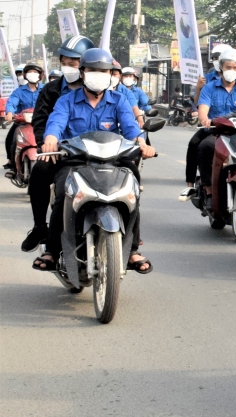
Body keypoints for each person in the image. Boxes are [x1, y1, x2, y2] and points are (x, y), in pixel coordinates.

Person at [33, 47, 155, 274]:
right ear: (82, 73)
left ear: (111, 74)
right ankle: (51, 249)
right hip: (74, 161)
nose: (98, 74)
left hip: (112, 161)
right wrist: (50, 139)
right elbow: (56, 124)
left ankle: (132, 249)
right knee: (62, 192)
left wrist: (142, 143)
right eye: (92, 70)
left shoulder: (119, 100)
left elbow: (130, 127)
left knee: (132, 191)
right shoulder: (66, 101)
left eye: (104, 70)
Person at [25, 36, 94, 252]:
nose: (68, 66)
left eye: (73, 63)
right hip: (60, 152)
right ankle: (39, 227)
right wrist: (45, 145)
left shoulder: (98, 89)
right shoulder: (52, 91)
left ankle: (130, 242)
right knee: (40, 171)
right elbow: (41, 120)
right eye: (65, 61)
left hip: (96, 151)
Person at [191, 48, 236, 196]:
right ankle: (208, 188)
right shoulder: (209, 88)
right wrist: (205, 119)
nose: (231, 70)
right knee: (204, 147)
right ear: (221, 67)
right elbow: (203, 110)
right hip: (217, 133)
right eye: (228, 67)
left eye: (234, 68)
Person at [4, 61, 44, 178]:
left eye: (35, 72)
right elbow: (12, 102)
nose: (32, 74)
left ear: (40, 75)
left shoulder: (45, 89)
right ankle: (12, 165)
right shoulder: (19, 91)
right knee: (11, 139)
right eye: (30, 72)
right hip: (22, 122)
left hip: (41, 122)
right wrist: (10, 112)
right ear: (25, 75)